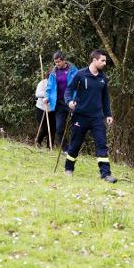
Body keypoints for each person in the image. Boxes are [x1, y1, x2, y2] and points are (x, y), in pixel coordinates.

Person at [63, 49, 117, 183]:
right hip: (80, 116)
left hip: (97, 118)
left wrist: (108, 114)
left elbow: (105, 98)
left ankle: (105, 174)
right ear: (94, 60)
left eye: (105, 61)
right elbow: (69, 90)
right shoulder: (80, 75)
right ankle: (69, 168)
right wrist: (69, 101)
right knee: (75, 144)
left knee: (101, 144)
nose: (105, 63)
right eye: (102, 60)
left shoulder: (103, 78)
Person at [44, 51, 78, 151]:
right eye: (55, 62)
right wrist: (47, 97)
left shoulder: (74, 70)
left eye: (58, 62)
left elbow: (79, 86)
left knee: (76, 127)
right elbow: (49, 87)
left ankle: (74, 148)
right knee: (59, 128)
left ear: (64, 60)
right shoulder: (54, 73)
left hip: (71, 102)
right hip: (59, 103)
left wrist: (77, 99)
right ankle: (65, 149)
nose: (57, 64)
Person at [35, 69, 56, 148]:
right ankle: (38, 141)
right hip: (41, 108)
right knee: (45, 128)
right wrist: (46, 94)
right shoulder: (43, 83)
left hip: (52, 109)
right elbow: (37, 94)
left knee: (53, 128)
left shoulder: (57, 85)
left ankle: (50, 146)